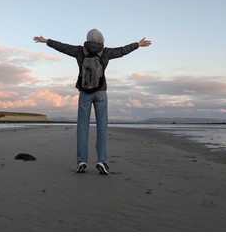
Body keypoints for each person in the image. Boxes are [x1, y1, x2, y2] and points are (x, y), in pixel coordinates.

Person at [33, 29, 151, 174]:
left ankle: (81, 161)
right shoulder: (106, 52)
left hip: (84, 93)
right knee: (102, 129)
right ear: (102, 40)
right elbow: (122, 51)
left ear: (88, 39)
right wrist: (137, 44)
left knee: (82, 128)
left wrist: (47, 41)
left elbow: (62, 47)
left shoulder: (79, 51)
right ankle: (102, 161)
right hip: (101, 93)